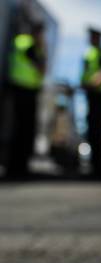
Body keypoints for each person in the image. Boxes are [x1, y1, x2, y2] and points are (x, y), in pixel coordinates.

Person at [6, 23, 46, 179]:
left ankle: (13, 166)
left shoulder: (20, 41)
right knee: (24, 131)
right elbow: (42, 69)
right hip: (26, 91)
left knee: (17, 129)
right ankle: (19, 168)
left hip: (17, 89)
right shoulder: (32, 47)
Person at [81, 27, 101, 179]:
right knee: (91, 132)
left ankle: (99, 170)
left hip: (100, 96)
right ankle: (93, 167)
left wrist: (89, 85)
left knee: (97, 132)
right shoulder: (89, 54)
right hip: (91, 96)